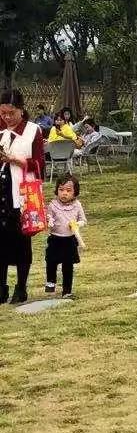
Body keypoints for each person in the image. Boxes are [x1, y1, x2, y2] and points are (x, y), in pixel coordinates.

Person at [0, 89, 45, 305]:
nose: (7, 117)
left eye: (11, 113)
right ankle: (1, 287)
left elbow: (40, 165)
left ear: (21, 110)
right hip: (1, 189)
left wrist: (16, 160)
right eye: (3, 113)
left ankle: (21, 286)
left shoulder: (33, 130)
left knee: (21, 241)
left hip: (21, 193)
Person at [45, 176, 86, 299]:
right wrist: (49, 221)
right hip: (55, 239)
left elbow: (83, 220)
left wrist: (77, 224)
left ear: (75, 192)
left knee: (68, 266)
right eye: (61, 190)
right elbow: (48, 217)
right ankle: (51, 282)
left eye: (68, 190)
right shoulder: (53, 205)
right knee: (51, 261)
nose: (64, 193)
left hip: (70, 240)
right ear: (57, 190)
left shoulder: (77, 205)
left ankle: (67, 291)